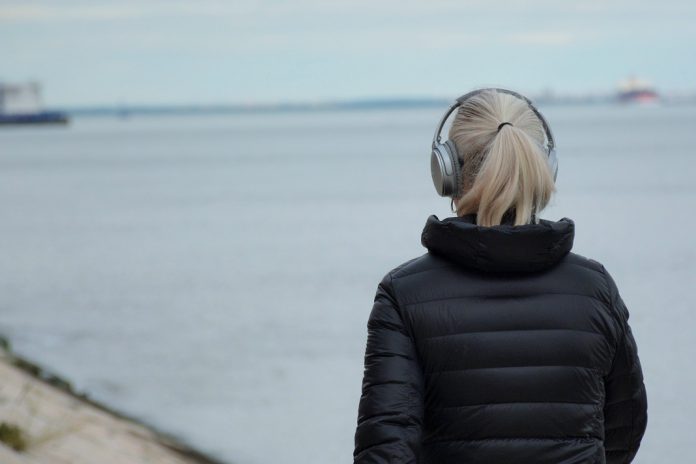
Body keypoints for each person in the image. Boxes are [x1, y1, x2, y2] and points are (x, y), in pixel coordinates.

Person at [352, 88, 648, 463]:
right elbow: (625, 424)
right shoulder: (595, 288)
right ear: (546, 166)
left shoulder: (402, 293)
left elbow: (385, 447)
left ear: (446, 171)